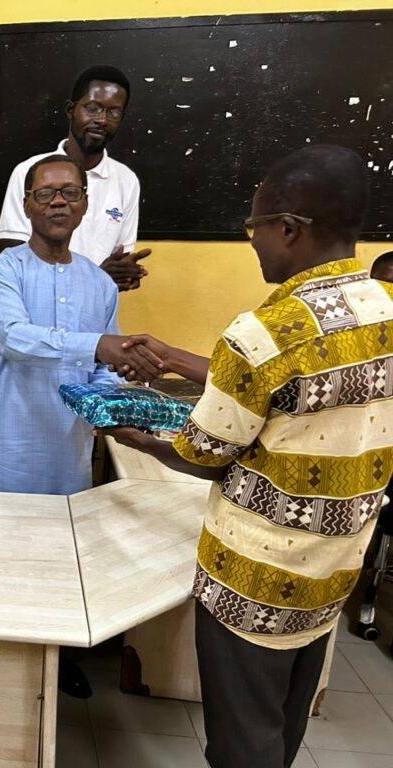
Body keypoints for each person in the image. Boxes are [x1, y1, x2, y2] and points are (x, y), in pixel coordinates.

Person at [102, 145, 389, 768]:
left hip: (253, 583)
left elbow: (203, 453)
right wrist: (183, 359)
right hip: (335, 569)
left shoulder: (261, 333)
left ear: (288, 229)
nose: (252, 240)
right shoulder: (384, 311)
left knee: (240, 740)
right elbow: (306, 393)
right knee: (284, 726)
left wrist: (143, 439)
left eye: (253, 226)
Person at [0, 155, 158, 701]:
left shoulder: (99, 283)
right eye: (46, 193)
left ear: (85, 205)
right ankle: (3, 664)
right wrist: (97, 347)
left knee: (59, 564)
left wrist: (119, 404)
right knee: (4, 560)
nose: (59, 202)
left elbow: (103, 368)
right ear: (26, 204)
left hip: (68, 448)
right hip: (10, 443)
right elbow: (16, 339)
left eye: (71, 193)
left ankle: (56, 662)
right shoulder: (0, 272)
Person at [0, 65, 150, 291]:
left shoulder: (126, 181)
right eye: (93, 108)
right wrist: (97, 278)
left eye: (114, 112)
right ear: (71, 110)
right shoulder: (30, 171)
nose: (102, 120)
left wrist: (125, 275)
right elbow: (11, 265)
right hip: (37, 316)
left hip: (95, 319)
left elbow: (119, 262)